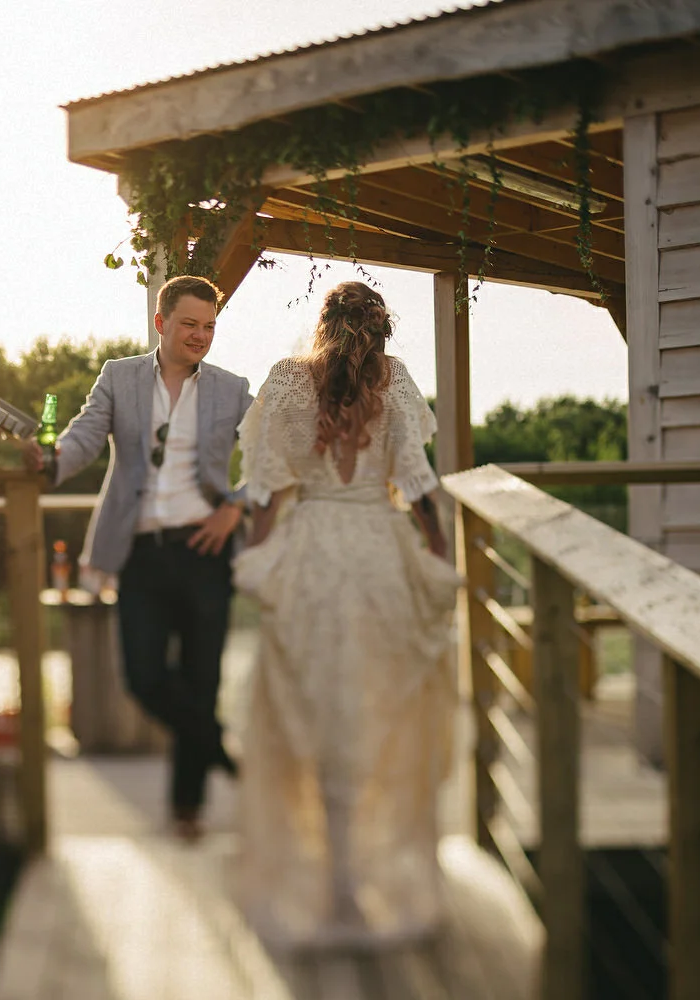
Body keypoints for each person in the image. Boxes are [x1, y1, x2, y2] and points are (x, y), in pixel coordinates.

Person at [232, 280, 461, 950]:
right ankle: (362, 874)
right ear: (382, 331)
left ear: (323, 322)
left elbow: (268, 485)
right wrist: (439, 548)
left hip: (311, 560)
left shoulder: (285, 379)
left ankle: (336, 883)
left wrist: (255, 556)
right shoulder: (398, 382)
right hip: (378, 561)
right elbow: (416, 480)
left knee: (313, 715)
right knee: (377, 714)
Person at [24, 274, 253, 842]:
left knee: (201, 683)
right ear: (161, 323)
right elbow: (80, 436)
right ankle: (218, 746)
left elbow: (278, 452)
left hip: (207, 550)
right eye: (189, 325)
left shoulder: (232, 388)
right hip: (141, 553)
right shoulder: (118, 377)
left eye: (209, 326)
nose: (200, 336)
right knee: (144, 678)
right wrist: (50, 462)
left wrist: (237, 508)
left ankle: (187, 810)